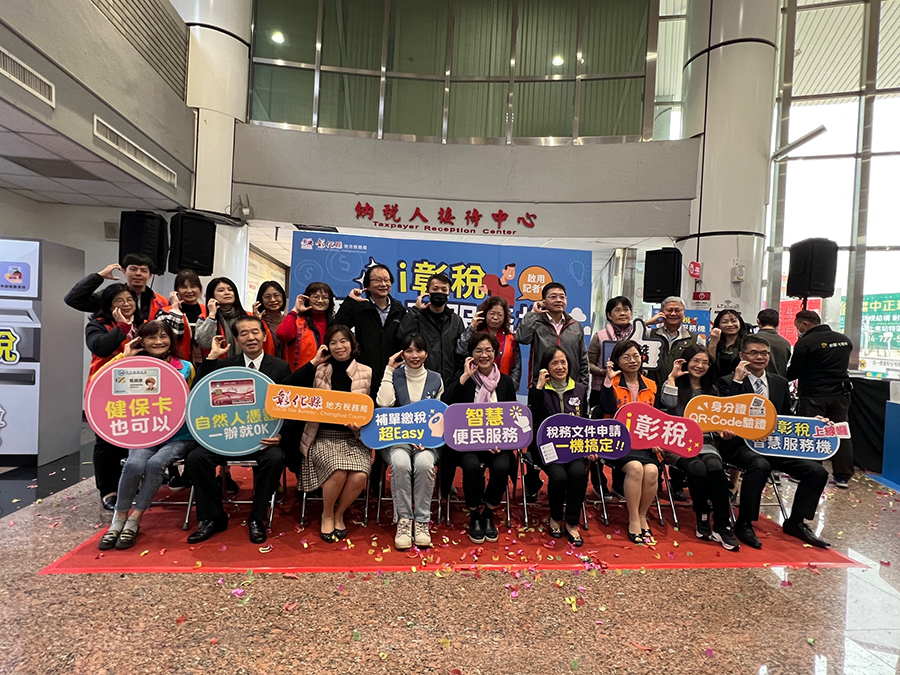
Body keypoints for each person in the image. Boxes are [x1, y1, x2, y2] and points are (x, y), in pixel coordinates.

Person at [185, 316, 293, 545]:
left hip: (263, 439)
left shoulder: (280, 367)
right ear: (236, 339)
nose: (250, 337)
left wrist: (281, 435)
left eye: (255, 332)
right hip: (228, 437)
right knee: (196, 459)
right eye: (244, 333)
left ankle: (257, 517)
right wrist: (212, 357)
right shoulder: (225, 365)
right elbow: (199, 393)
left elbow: (290, 407)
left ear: (264, 336)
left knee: (274, 459)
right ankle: (212, 517)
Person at [718, 335, 831, 548]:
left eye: (764, 353)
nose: (759, 357)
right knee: (760, 465)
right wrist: (737, 381)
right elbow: (727, 412)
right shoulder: (728, 381)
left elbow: (787, 417)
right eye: (753, 353)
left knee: (817, 472)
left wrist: (813, 423)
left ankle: (796, 522)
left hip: (773, 445)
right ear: (742, 355)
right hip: (739, 445)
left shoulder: (779, 382)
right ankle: (744, 523)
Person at [98, 321, 197, 550]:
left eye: (163, 336)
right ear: (141, 340)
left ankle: (135, 518)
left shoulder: (185, 367)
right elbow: (99, 384)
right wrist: (123, 357)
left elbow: (193, 399)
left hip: (179, 435)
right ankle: (118, 520)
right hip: (144, 433)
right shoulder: (131, 366)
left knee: (156, 463)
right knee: (133, 464)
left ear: (171, 340)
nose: (158, 341)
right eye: (152, 337)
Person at [289, 326, 373, 543]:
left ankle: (339, 513)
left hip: (354, 438)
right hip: (322, 436)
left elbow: (373, 410)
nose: (339, 346)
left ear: (352, 344)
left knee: (360, 475)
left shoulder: (366, 372)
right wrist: (314, 361)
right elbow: (288, 387)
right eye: (333, 342)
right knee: (338, 470)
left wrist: (360, 426)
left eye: (343, 341)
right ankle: (327, 514)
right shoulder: (320, 370)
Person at [659, 345, 739, 551]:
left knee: (714, 465)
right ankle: (702, 515)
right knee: (697, 467)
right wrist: (672, 378)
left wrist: (724, 431)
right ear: (686, 362)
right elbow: (668, 403)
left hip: (705, 443)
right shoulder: (673, 384)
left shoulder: (712, 390)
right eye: (696, 361)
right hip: (677, 443)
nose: (700, 366)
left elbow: (718, 422)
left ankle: (722, 524)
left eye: (705, 362)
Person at [443, 333, 517, 545]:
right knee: (471, 466)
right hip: (468, 444)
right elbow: (446, 405)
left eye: (488, 351)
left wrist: (501, 442)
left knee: (502, 466)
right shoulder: (464, 380)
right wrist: (464, 377)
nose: (484, 355)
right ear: (471, 354)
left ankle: (489, 512)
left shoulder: (506, 382)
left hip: (497, 444)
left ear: (495, 353)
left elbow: (511, 417)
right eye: (478, 351)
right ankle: (475, 513)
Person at [375, 334, 444, 550]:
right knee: (400, 463)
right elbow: (384, 404)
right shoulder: (394, 375)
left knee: (424, 463)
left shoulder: (436, 379)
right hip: (397, 440)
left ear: (426, 353)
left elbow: (439, 416)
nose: (414, 355)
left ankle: (422, 521)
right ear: (402, 354)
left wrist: (426, 439)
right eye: (409, 351)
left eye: (419, 350)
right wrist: (388, 370)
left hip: (427, 442)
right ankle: (404, 521)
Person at [85, 283, 144, 510]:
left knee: (130, 437)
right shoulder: (97, 325)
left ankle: (127, 484)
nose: (126, 304)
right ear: (109, 305)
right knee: (106, 441)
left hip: (136, 390)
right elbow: (101, 347)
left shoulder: (141, 324)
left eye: (130, 300)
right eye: (119, 300)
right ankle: (108, 490)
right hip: (104, 389)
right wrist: (121, 326)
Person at [596, 340, 660, 544]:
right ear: (617, 361)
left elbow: (658, 417)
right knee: (635, 469)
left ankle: (642, 515)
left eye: (636, 356)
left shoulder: (651, 385)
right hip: (618, 442)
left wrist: (657, 439)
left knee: (652, 471)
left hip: (645, 444)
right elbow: (605, 409)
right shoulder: (612, 383)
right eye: (626, 357)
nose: (632, 360)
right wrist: (607, 382)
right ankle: (633, 518)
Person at [527, 347, 590, 546]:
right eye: (554, 363)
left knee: (578, 474)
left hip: (573, 446)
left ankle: (571, 522)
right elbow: (535, 420)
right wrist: (538, 388)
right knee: (559, 476)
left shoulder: (580, 389)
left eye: (563, 362)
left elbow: (586, 421)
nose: (560, 367)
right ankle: (555, 517)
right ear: (546, 367)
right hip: (547, 446)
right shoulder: (539, 390)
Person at [787, 310, 855, 488]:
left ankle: (809, 471)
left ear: (804, 324)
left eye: (797, 326)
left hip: (814, 395)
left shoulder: (806, 343)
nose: (798, 330)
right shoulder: (844, 340)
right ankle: (843, 476)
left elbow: (794, 371)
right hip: (840, 394)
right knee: (840, 432)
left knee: (811, 432)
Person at [334, 264, 407, 395]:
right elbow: (336, 328)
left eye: (386, 280)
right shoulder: (359, 308)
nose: (383, 284)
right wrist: (350, 301)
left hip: (392, 373)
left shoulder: (399, 309)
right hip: (363, 373)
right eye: (377, 280)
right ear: (367, 285)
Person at [515, 282, 589, 388]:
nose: (558, 300)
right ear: (543, 302)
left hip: (571, 386)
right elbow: (522, 338)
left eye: (562, 297)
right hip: (541, 385)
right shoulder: (536, 322)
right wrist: (533, 313)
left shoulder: (575, 326)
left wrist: (583, 386)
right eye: (553, 297)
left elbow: (583, 359)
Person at [398, 273, 465, 386]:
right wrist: (415, 310)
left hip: (450, 383)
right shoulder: (417, 317)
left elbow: (461, 353)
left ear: (449, 294)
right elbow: (401, 337)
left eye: (444, 290)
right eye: (435, 289)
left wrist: (457, 378)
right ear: (427, 292)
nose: (439, 292)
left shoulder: (456, 321)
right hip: (421, 382)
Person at [65, 253, 168, 320]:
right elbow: (73, 300)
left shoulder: (162, 302)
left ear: (150, 275)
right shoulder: (110, 296)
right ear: (124, 271)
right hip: (115, 346)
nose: (138, 273)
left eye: (143, 270)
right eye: (133, 269)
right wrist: (99, 276)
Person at [195, 277, 276, 359]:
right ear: (212, 295)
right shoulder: (205, 318)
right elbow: (204, 343)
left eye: (230, 290)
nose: (227, 293)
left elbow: (265, 343)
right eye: (221, 290)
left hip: (248, 363)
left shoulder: (248, 316)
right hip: (218, 364)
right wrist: (212, 315)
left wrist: (257, 321)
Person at [456, 296, 521, 389]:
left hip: (503, 388)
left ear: (505, 317)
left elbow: (516, 368)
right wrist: (471, 328)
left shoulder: (511, 339)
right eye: (492, 313)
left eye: (499, 314)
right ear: (485, 314)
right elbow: (460, 351)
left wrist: (510, 387)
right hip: (475, 386)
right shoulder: (474, 334)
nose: (495, 317)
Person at [588, 296, 635, 408]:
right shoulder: (600, 336)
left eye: (626, 309)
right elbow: (588, 364)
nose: (622, 313)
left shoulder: (639, 336)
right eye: (617, 310)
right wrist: (603, 372)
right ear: (609, 315)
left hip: (632, 389)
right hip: (602, 388)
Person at [277, 282, 335, 372]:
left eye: (325, 297)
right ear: (307, 299)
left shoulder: (334, 324)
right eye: (316, 297)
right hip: (301, 374)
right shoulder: (298, 321)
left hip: (327, 374)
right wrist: (295, 310)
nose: (320, 301)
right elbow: (282, 334)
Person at [157, 269, 207, 364]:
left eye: (193, 286)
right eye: (183, 287)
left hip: (206, 363)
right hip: (177, 363)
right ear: (176, 291)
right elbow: (168, 339)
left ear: (200, 289)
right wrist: (175, 309)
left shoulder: (209, 311)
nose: (189, 291)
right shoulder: (165, 312)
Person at [646, 296, 700, 384]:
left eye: (677, 310)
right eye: (669, 310)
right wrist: (648, 322)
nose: (673, 314)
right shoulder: (649, 334)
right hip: (652, 386)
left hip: (682, 387)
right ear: (661, 312)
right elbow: (628, 333)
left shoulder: (695, 338)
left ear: (684, 313)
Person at [707, 309, 750, 378]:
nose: (730, 325)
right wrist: (713, 342)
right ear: (718, 325)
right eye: (725, 322)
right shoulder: (713, 340)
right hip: (716, 380)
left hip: (741, 379)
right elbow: (709, 362)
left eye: (734, 321)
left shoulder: (748, 341)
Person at [254, 281, 288, 359]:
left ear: (282, 297)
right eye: (267, 296)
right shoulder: (258, 321)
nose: (272, 300)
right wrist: (256, 322)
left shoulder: (290, 321)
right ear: (261, 299)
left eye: (276, 295)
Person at [755, 309, 792, 377]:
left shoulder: (751, 340)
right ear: (777, 323)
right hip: (779, 381)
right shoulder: (785, 343)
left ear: (758, 321)